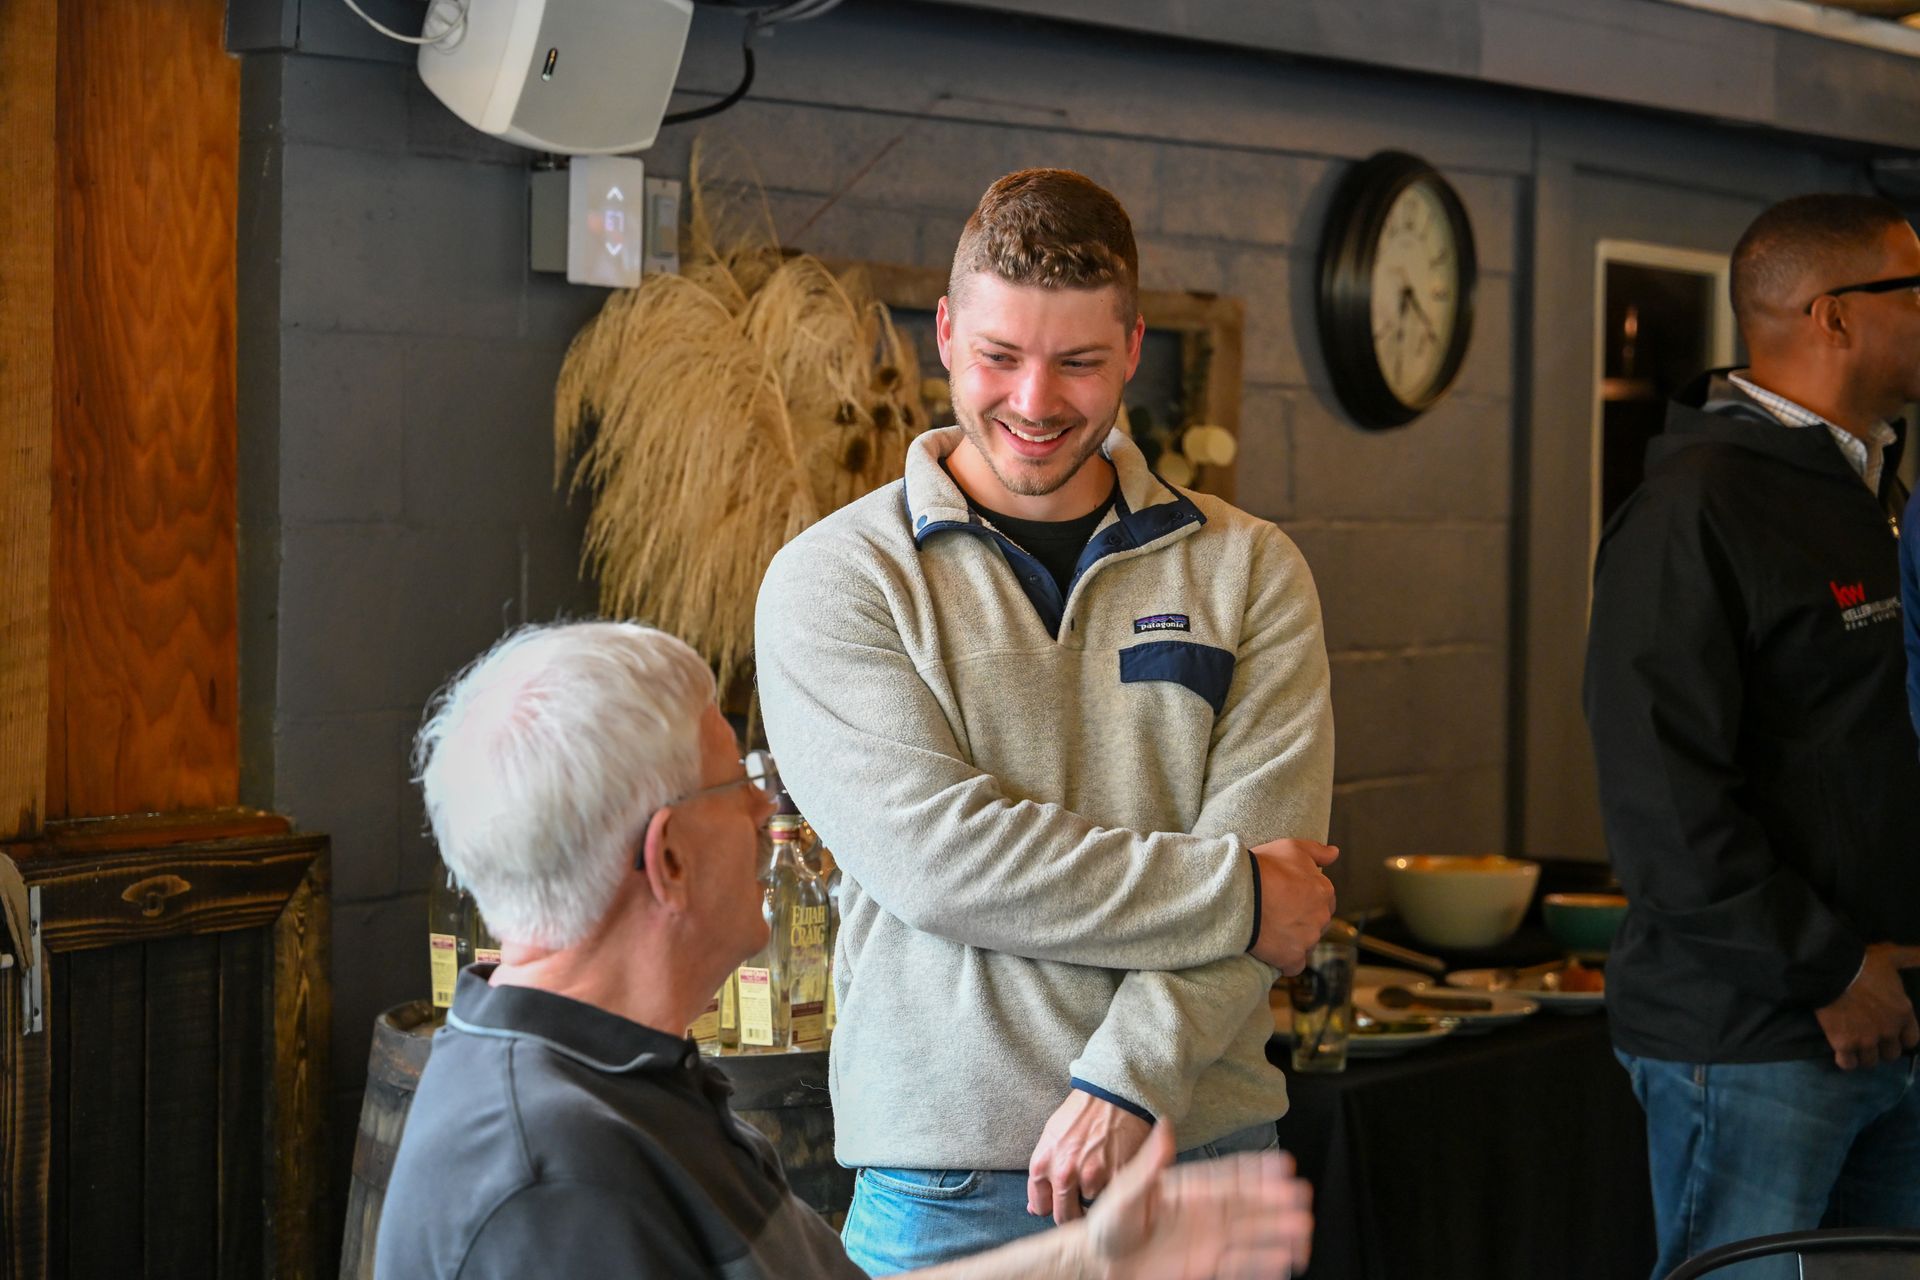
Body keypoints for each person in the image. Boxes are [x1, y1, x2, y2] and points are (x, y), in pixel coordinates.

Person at [755, 169, 1338, 1274]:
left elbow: (1280, 854)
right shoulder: (838, 579)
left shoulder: (1251, 569)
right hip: (948, 1186)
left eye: (1078, 362)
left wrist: (1132, 1077)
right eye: (998, 356)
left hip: (1199, 1156)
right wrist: (1240, 893)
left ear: (1132, 349)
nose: (1034, 400)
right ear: (944, 334)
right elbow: (945, 861)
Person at [376, 620, 1317, 1280]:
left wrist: (1089, 1261)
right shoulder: (555, 1179)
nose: (766, 809)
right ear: (668, 859)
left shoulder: (615, 1078)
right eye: (735, 786)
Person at [1583, 193, 1920, 1280]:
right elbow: (1663, 804)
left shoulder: (1867, 487)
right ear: (1836, 315)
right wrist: (1829, 970)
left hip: (1892, 1019)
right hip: (1755, 1039)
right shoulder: (1693, 509)